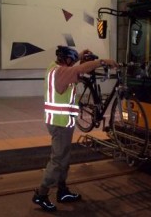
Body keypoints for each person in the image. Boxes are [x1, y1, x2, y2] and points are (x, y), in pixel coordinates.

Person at [32, 45, 117, 212]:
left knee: (63, 158)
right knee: (57, 161)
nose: (73, 62)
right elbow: (81, 68)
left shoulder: (54, 67)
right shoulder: (63, 73)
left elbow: (73, 66)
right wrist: (102, 61)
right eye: (71, 60)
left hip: (60, 122)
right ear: (66, 60)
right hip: (60, 123)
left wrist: (78, 55)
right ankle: (41, 194)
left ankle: (62, 191)